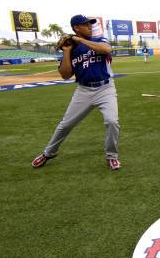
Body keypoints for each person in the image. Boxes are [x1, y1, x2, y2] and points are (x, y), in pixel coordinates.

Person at [32, 14, 121, 170]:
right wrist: (66, 51)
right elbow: (65, 75)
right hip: (84, 90)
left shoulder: (99, 40)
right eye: (86, 24)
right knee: (66, 125)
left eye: (90, 24)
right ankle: (48, 153)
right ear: (76, 28)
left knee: (112, 121)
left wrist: (79, 40)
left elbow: (106, 49)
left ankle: (111, 156)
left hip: (105, 88)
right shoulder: (72, 49)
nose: (90, 27)